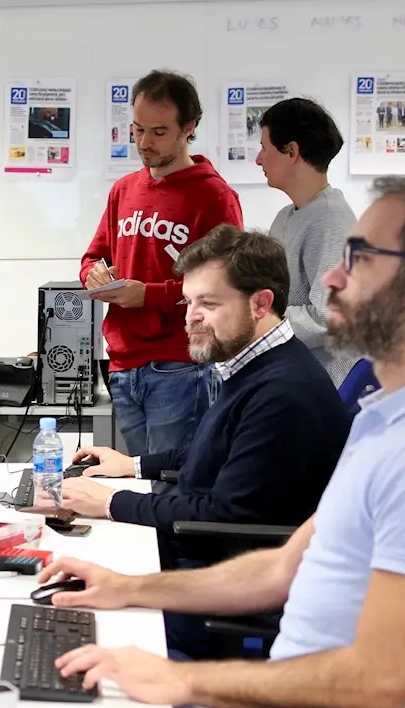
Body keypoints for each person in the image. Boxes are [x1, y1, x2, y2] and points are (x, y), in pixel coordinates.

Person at [44, 175, 405, 708]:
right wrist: (129, 587)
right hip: (282, 684)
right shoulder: (390, 418)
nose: (332, 278)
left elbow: (380, 682)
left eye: (359, 260)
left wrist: (180, 679)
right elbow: (280, 569)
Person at [56, 224, 351, 659]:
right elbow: (212, 451)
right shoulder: (252, 364)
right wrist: (132, 466)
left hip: (215, 585)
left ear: (260, 303)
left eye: (208, 303)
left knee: (72, 625)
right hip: (198, 558)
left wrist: (112, 502)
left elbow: (223, 514)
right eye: (188, 301)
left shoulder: (283, 392)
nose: (190, 316)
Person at [80, 70, 244, 456]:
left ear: (189, 128)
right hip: (123, 365)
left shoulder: (214, 196)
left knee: (172, 482)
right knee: (141, 480)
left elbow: (225, 285)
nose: (143, 143)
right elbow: (92, 257)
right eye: (137, 130)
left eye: (158, 132)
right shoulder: (124, 190)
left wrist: (148, 296)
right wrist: (93, 274)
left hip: (180, 365)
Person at [256, 97, 359, 385]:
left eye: (264, 148)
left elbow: (330, 317)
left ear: (291, 151)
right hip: (289, 371)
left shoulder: (331, 220)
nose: (258, 159)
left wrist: (257, 320)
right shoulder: (286, 216)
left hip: (322, 384)